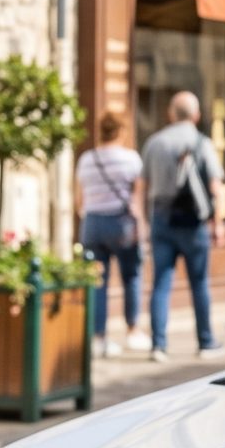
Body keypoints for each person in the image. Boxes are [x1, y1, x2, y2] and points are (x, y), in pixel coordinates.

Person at [141, 90, 225, 361]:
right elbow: (216, 186)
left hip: (161, 218)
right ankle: (205, 342)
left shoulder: (154, 143)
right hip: (193, 223)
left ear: (170, 113)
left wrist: (143, 221)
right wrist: (218, 223)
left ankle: (158, 345)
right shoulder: (202, 143)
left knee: (161, 283)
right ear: (197, 115)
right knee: (199, 282)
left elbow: (143, 186)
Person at [73, 111, 147, 357]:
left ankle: (98, 337)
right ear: (122, 131)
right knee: (131, 277)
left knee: (96, 282)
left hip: (92, 224)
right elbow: (137, 199)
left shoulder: (86, 159)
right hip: (121, 224)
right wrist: (141, 227)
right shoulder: (131, 159)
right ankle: (132, 330)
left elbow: (78, 200)